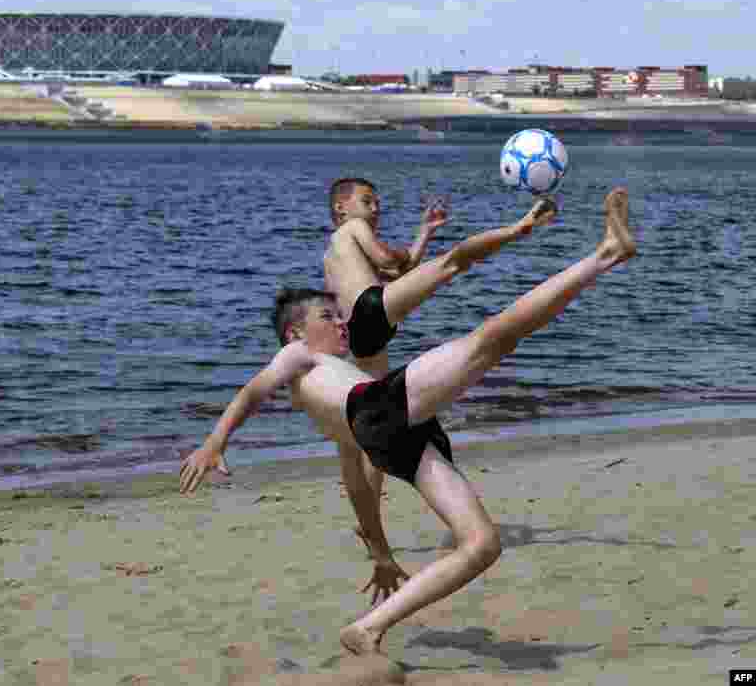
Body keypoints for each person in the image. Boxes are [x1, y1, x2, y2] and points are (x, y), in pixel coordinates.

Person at [180, 187, 636, 656]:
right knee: (491, 337)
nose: (341, 324)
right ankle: (605, 254)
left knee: (482, 545)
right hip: (378, 410)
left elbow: (357, 481)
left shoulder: (331, 384)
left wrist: (380, 553)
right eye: (328, 317)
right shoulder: (297, 355)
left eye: (340, 316)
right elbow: (254, 390)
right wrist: (215, 442)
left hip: (388, 438)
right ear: (296, 332)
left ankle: (368, 628)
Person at [323, 177, 557, 553]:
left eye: (377, 203)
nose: (375, 209)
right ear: (341, 209)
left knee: (361, 439)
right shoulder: (353, 229)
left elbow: (402, 274)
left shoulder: (336, 252)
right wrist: (402, 255)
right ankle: (517, 229)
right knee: (451, 265)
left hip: (364, 335)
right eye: (367, 201)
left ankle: (372, 530)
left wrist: (424, 233)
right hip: (369, 311)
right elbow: (387, 261)